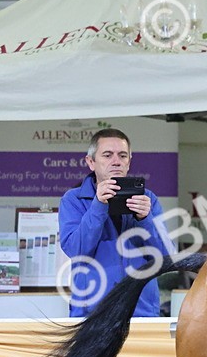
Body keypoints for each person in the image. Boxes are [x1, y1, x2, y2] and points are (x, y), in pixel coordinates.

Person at [59, 128, 168, 317]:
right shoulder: (73, 200)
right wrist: (98, 205)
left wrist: (145, 220)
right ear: (91, 162)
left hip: (140, 311)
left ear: (129, 162)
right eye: (107, 155)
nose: (116, 161)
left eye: (122, 156)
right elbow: (76, 250)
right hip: (92, 314)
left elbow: (165, 257)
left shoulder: (148, 199)